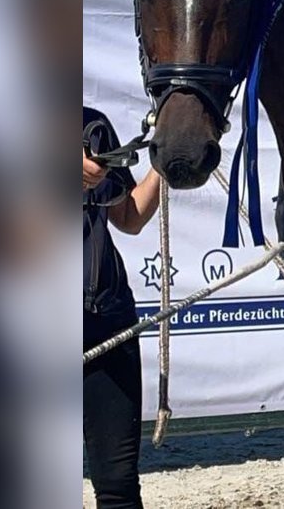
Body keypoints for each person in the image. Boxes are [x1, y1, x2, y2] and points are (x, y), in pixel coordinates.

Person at [83, 106, 161, 509]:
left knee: (118, 488)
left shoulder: (91, 126)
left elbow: (128, 217)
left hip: (105, 319)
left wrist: (165, 163)